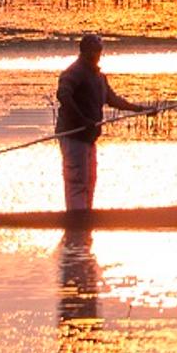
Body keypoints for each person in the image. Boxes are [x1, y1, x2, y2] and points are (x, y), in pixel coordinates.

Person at [54, 34, 143, 218]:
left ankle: (84, 222)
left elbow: (113, 99)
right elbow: (63, 95)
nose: (97, 54)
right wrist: (82, 120)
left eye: (99, 51)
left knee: (90, 180)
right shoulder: (74, 72)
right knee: (77, 180)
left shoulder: (99, 77)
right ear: (84, 51)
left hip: (89, 136)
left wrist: (140, 109)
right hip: (73, 134)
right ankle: (77, 221)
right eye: (93, 51)